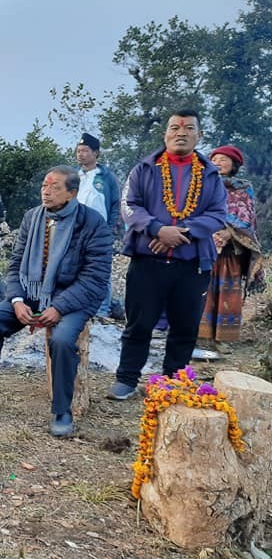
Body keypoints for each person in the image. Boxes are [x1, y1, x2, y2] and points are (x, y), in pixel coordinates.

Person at [0, 166, 112, 437]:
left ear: (72, 193)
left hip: (73, 299)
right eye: (44, 185)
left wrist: (59, 307)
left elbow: (94, 278)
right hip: (32, 293)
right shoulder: (32, 217)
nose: (46, 191)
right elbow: (16, 265)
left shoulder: (92, 223)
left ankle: (62, 410)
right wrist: (16, 300)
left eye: (54, 187)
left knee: (62, 340)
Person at [109, 109, 227, 400]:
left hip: (192, 262)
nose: (181, 132)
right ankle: (126, 379)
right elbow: (129, 206)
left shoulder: (210, 174)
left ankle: (173, 381)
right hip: (147, 258)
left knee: (185, 326)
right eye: (175, 127)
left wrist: (179, 234)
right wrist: (158, 230)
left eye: (188, 128)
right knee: (139, 323)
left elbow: (218, 215)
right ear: (166, 133)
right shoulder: (143, 169)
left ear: (198, 135)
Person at [197, 145, 263, 349]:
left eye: (223, 159)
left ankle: (223, 339)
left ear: (234, 165)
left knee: (228, 293)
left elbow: (246, 219)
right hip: (204, 247)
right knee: (202, 291)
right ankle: (201, 337)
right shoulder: (202, 185)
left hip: (230, 252)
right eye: (214, 159)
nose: (217, 162)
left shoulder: (243, 188)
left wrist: (229, 233)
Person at [75, 133, 121, 317]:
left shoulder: (106, 177)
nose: (81, 154)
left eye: (85, 151)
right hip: (75, 231)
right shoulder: (73, 175)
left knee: (101, 271)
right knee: (75, 269)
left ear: (96, 153)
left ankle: (102, 310)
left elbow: (115, 205)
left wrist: (110, 230)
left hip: (99, 232)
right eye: (78, 151)